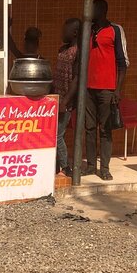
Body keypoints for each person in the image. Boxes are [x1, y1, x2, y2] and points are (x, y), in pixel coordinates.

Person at [86, 0, 128, 180]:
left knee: (105, 129)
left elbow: (123, 62)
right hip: (88, 88)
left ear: (102, 11)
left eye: (93, 9)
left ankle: (104, 168)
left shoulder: (115, 30)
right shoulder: (88, 30)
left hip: (107, 88)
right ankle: (90, 166)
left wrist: (117, 90)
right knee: (89, 128)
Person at [52, 18, 80, 177]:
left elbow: (76, 79)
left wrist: (66, 101)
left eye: (65, 31)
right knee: (53, 134)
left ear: (75, 32)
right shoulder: (63, 49)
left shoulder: (77, 52)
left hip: (65, 101)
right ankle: (57, 165)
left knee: (58, 135)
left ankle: (65, 167)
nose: (62, 34)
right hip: (56, 98)